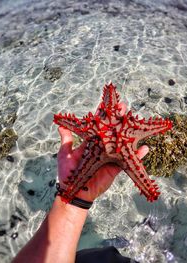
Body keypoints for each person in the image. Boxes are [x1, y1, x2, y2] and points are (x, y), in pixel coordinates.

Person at [13, 103, 148, 263]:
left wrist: (73, 201)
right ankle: (107, 246)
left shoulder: (94, 132)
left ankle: (105, 247)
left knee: (97, 257)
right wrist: (74, 199)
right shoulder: (108, 135)